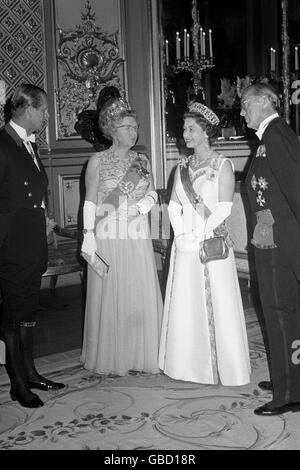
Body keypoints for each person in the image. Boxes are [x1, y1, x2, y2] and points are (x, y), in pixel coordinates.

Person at [159, 101, 251, 386]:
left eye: (190, 128)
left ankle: (223, 367)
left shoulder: (223, 164)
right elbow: (174, 205)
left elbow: (224, 208)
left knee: (215, 303)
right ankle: (185, 364)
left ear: (206, 131)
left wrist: (199, 233)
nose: (184, 133)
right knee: (185, 302)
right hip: (185, 243)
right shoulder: (182, 167)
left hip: (209, 242)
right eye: (184, 128)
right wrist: (181, 234)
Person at [80, 88, 163, 376]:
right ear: (113, 130)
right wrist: (88, 234)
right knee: (113, 293)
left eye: (135, 127)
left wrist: (145, 204)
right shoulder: (97, 161)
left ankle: (141, 353)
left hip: (136, 233)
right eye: (128, 128)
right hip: (109, 233)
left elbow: (153, 194)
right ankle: (116, 354)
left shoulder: (142, 161)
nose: (134, 132)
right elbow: (90, 199)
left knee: (138, 292)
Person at [0, 83, 65, 408]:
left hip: (30, 242)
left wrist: (42, 219)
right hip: (10, 245)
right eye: (43, 110)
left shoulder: (28, 144)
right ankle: (17, 384)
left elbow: (32, 191)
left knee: (27, 311)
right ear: (27, 109)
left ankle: (31, 373)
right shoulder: (2, 144)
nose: (47, 116)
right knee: (13, 316)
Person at [240, 83, 300, 416]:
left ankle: (289, 393)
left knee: (281, 315)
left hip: (281, 248)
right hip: (273, 243)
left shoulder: (277, 136)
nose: (242, 110)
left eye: (246, 103)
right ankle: (287, 379)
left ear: (264, 102)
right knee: (284, 316)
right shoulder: (271, 136)